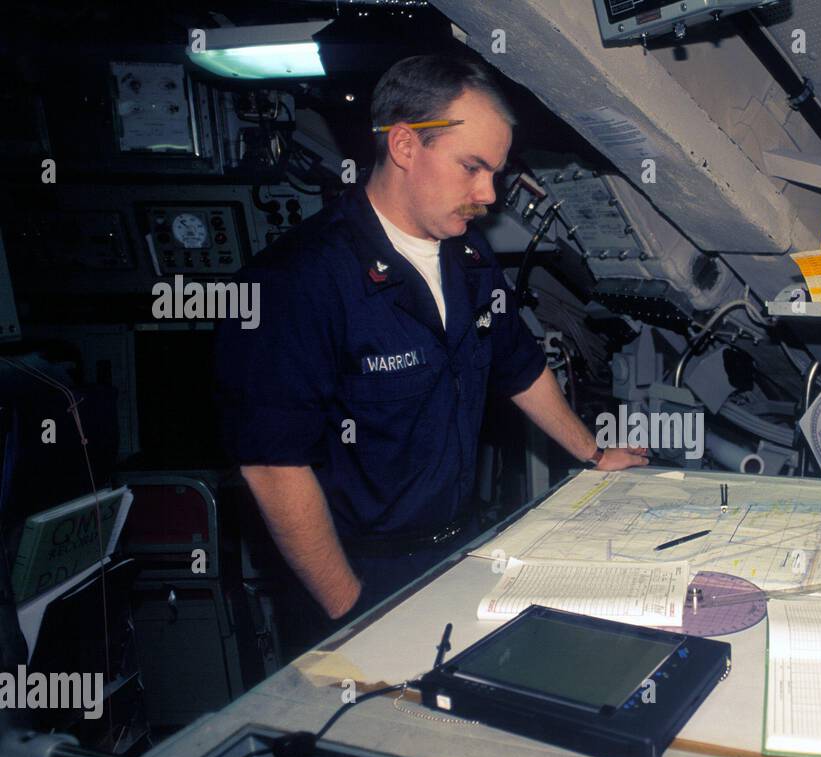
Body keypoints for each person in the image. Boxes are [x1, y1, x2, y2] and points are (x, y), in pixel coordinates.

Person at [215, 53, 646, 642]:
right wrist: (351, 616)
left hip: (456, 552)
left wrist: (594, 456)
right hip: (353, 576)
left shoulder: (466, 257)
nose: (488, 193)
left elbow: (518, 366)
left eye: (494, 172)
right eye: (472, 167)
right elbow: (272, 466)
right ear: (404, 146)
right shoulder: (296, 282)